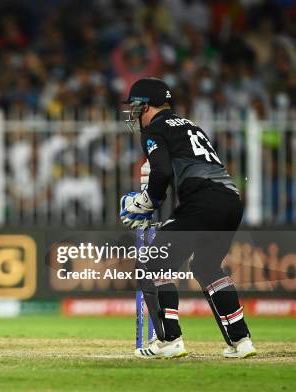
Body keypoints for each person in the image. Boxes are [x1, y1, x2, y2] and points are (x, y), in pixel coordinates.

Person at [119, 77, 256, 359]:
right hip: (231, 200)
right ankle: (241, 341)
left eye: (135, 106)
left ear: (147, 106)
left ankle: (170, 340)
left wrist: (146, 202)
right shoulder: (190, 125)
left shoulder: (155, 129)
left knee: (152, 263)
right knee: (206, 268)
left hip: (203, 202)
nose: (133, 113)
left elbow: (162, 172)